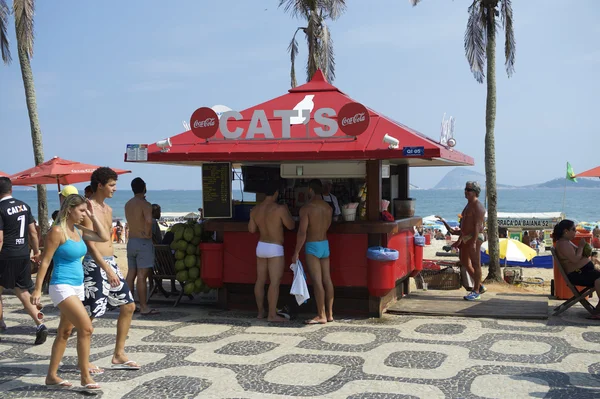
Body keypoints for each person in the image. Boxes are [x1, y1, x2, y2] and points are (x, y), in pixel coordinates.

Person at [31, 194, 109, 391]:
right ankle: (85, 376)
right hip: (61, 285)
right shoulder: (57, 231)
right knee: (86, 328)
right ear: (69, 209)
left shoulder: (79, 230)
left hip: (77, 286)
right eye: (81, 210)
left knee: (64, 332)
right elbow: (46, 260)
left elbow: (104, 237)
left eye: (85, 210)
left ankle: (51, 376)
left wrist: (92, 215)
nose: (84, 214)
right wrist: (38, 288)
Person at [81, 167, 139, 371]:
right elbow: (90, 244)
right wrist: (106, 268)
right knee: (90, 313)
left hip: (109, 262)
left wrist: (111, 266)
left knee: (129, 306)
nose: (115, 189)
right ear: (100, 185)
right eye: (112, 185)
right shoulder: (87, 208)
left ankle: (118, 354)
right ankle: (84, 360)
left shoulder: (108, 209)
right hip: (94, 263)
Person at [0, 177, 47, 343]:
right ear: (11, 190)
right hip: (22, 254)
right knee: (22, 290)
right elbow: (33, 232)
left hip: (5, 254)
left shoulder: (0, 208)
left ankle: (1, 323)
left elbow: (0, 239)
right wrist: (36, 251)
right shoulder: (24, 206)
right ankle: (39, 322)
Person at [248, 181, 294, 322]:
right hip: (275, 247)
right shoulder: (279, 209)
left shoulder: (256, 209)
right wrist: (287, 210)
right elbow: (291, 226)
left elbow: (251, 230)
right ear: (275, 193)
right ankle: (272, 315)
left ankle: (261, 312)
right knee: (274, 282)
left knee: (260, 280)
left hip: (261, 246)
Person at [292, 179, 334, 324]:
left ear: (310, 190)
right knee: (327, 279)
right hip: (324, 243)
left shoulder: (306, 209)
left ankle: (321, 315)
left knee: (317, 281)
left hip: (312, 245)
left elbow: (302, 232)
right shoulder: (328, 208)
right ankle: (330, 314)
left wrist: (296, 251)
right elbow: (328, 226)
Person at [553, 219, 600, 319]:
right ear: (566, 231)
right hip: (577, 275)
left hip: (581, 272)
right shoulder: (563, 244)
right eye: (573, 229)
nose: (575, 232)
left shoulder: (566, 242)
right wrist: (582, 247)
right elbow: (574, 259)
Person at [125, 177, 158, 316]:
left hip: (131, 240)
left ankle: (128, 305)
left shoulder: (128, 204)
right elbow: (149, 220)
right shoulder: (145, 204)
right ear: (144, 187)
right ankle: (144, 306)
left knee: (131, 274)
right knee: (142, 275)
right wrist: (148, 233)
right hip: (143, 241)